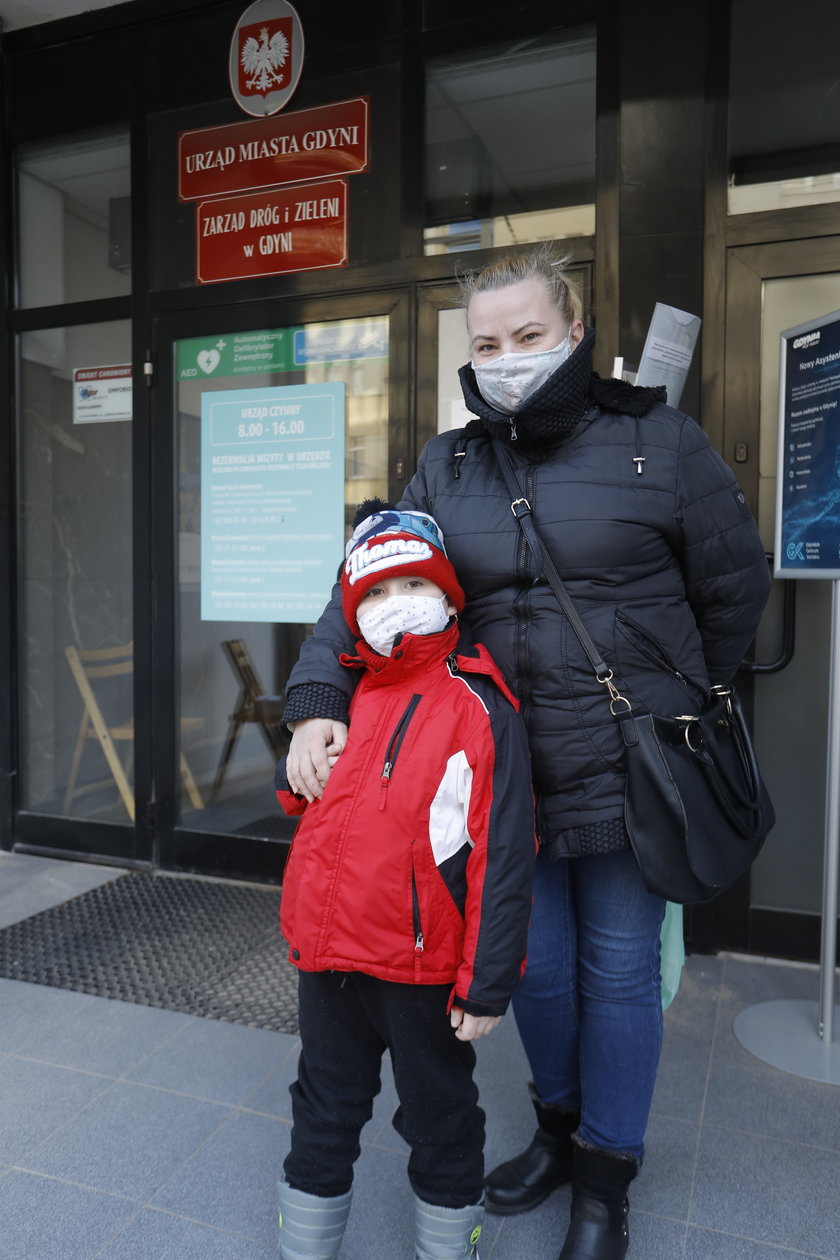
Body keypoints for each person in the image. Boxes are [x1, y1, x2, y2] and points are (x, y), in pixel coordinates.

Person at [282, 246, 771, 1259]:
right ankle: (555, 1127)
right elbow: (367, 585)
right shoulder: (449, 462)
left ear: (576, 333)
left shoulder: (659, 444)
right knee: (535, 970)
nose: (507, 359)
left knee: (622, 972)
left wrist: (669, 690)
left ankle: (606, 1173)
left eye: (530, 336)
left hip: (629, 772)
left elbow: (734, 589)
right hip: (497, 779)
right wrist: (321, 693)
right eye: (488, 344)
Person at [275, 500, 536, 1260]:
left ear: (450, 597)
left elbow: (503, 852)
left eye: (412, 585)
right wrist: (300, 762)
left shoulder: (477, 705)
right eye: (376, 595)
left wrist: (487, 982)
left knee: (440, 1116)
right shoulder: (345, 695)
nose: (396, 607)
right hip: (326, 959)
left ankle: (450, 1246)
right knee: (322, 1107)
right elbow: (313, 801)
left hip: (419, 967)